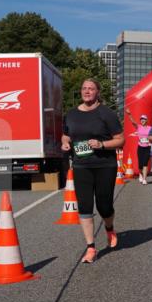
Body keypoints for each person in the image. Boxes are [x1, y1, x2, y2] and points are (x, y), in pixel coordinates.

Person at [61, 78, 124, 263]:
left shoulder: (107, 114)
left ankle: (109, 227)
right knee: (85, 206)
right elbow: (66, 134)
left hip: (105, 165)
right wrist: (65, 143)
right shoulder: (71, 114)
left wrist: (102, 144)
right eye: (84, 88)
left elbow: (120, 140)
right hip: (81, 166)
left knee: (104, 206)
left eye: (91, 88)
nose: (87, 91)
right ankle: (90, 247)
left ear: (97, 92)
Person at [125, 108, 152, 184]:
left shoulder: (150, 128)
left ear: (146, 120)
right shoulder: (139, 127)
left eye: (144, 119)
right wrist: (129, 114)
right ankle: (140, 174)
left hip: (147, 147)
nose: (142, 120)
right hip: (140, 147)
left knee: (145, 163)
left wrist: (151, 142)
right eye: (141, 119)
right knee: (140, 164)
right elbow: (133, 122)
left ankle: (144, 179)